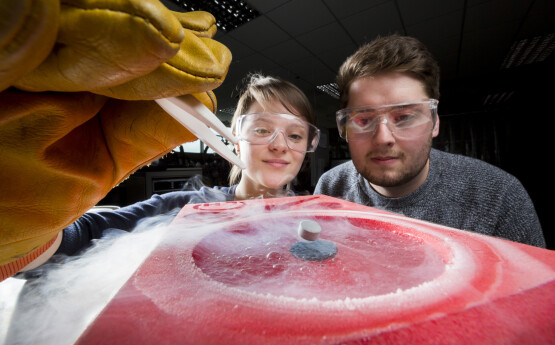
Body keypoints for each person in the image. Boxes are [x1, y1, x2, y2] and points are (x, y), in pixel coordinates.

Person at [19, 74, 320, 270]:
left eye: (295, 135)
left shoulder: (320, 217)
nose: (280, 145)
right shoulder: (185, 209)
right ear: (235, 141)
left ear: (307, 146)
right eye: (262, 129)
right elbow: (82, 236)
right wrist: (28, 223)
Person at [314, 34, 545, 248]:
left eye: (404, 117)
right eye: (363, 120)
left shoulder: (498, 197)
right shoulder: (330, 188)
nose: (383, 138)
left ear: (434, 122)